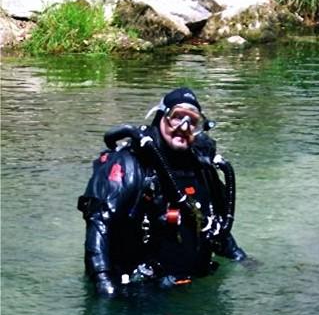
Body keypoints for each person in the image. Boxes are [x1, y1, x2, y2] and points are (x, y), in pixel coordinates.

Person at [78, 87, 247, 298]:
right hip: (140, 292)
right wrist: (103, 281)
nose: (184, 127)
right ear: (161, 117)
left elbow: (211, 223)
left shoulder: (201, 168)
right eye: (176, 118)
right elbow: (99, 222)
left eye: (192, 121)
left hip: (192, 286)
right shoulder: (131, 165)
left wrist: (240, 258)